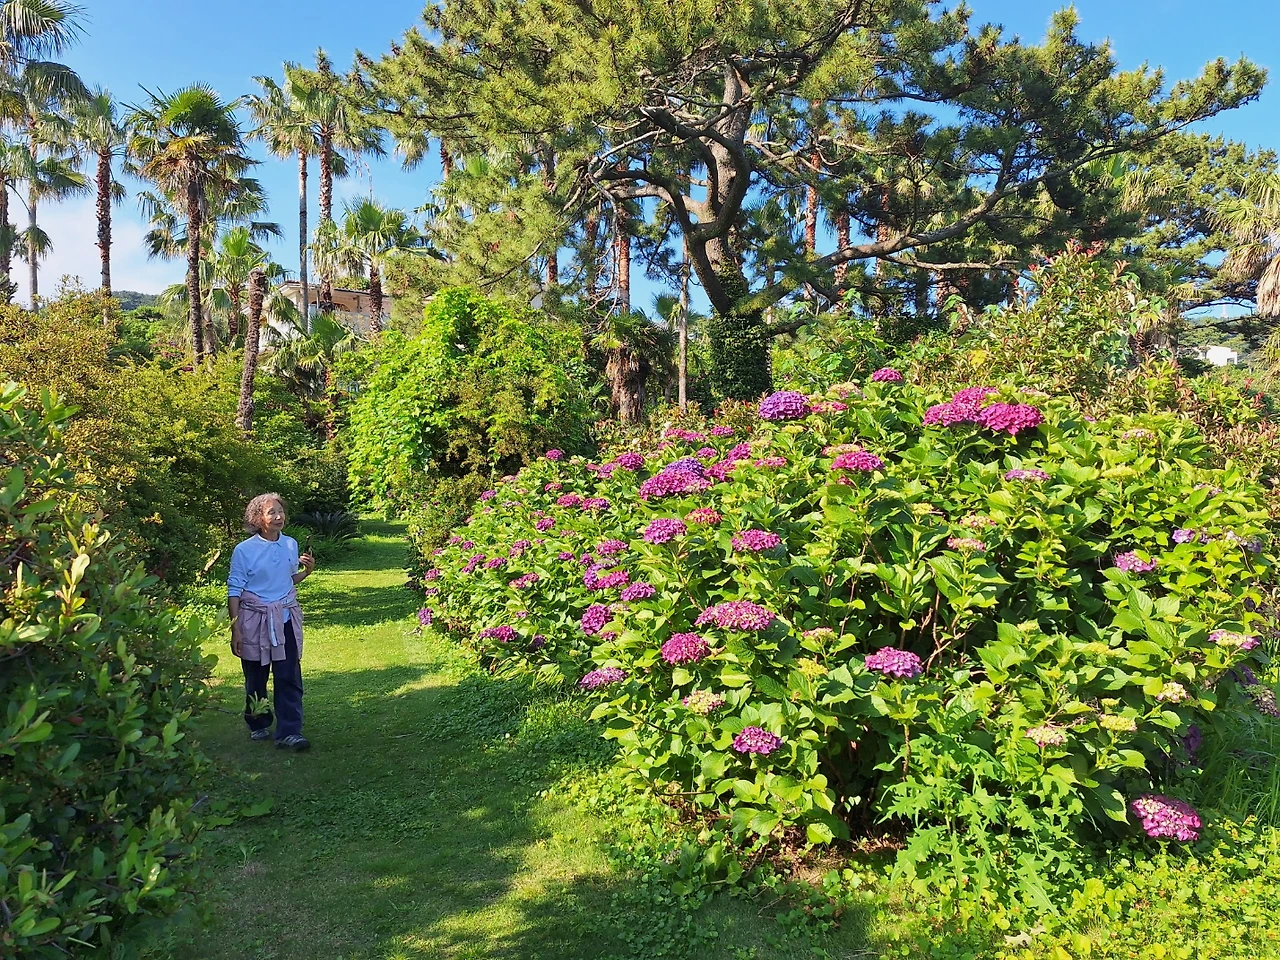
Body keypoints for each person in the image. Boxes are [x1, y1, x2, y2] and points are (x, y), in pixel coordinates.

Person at [228, 492, 315, 750]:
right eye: (271, 512)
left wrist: (307, 572)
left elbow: (288, 579)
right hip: (255, 621)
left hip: (284, 618)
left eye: (280, 511)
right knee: (256, 677)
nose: (279, 516)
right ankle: (258, 722)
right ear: (257, 518)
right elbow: (234, 590)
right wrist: (235, 629)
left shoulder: (290, 544)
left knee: (288, 675)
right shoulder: (244, 550)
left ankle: (290, 731)